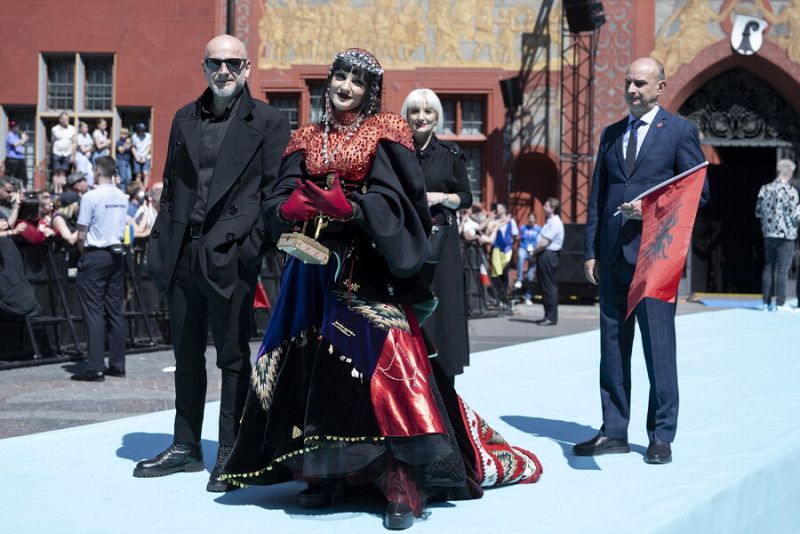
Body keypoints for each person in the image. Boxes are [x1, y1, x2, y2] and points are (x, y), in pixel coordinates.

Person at [219, 48, 541, 531]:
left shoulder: (386, 130)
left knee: (388, 366)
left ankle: (401, 479)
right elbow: (277, 196)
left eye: (357, 81)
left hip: (367, 270)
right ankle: (327, 475)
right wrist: (286, 211)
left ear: (371, 90)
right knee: (310, 367)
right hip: (309, 276)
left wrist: (353, 207)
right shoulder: (305, 136)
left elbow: (401, 201)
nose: (345, 86)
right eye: (339, 77)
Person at [135, 34, 290, 493]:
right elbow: (171, 183)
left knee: (233, 357)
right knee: (185, 355)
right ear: (203, 67)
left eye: (233, 64)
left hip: (229, 253)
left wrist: (249, 247)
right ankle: (186, 446)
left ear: (246, 69)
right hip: (184, 252)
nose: (224, 71)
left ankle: (230, 450)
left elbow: (271, 194)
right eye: (215, 63)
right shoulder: (184, 117)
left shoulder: (268, 121)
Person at [578, 57, 708, 465]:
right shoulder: (611, 134)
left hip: (655, 258)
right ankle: (614, 430)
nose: (631, 89)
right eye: (627, 82)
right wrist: (591, 251)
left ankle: (661, 435)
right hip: (613, 255)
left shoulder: (680, 133)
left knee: (658, 348)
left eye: (639, 83)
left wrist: (651, 208)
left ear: (660, 87)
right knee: (613, 347)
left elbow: (697, 193)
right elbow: (598, 196)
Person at [401, 88, 473, 381]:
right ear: (406, 116)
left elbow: (465, 197)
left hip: (440, 243)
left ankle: (443, 382)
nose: (421, 117)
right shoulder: (395, 153)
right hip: (404, 241)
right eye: (415, 111)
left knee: (442, 309)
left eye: (428, 111)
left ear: (437, 116)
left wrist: (442, 197)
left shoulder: (450, 153)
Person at [70, 156, 128, 382]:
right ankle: (117, 364)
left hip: (95, 254)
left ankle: (95, 367)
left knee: (94, 312)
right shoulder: (122, 196)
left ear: (96, 171)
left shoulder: (91, 197)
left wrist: (82, 251)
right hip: (116, 253)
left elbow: (82, 232)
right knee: (115, 310)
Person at [755, 158, 800, 312]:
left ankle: (765, 302)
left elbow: (758, 212)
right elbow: (796, 216)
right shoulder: (791, 191)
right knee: (782, 269)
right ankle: (780, 303)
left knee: (768, 267)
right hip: (786, 236)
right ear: (790, 173)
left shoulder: (765, 189)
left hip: (769, 234)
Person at [531, 198, 564, 325]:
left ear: (552, 208)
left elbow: (544, 242)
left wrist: (534, 252)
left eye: (546, 205)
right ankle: (547, 316)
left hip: (548, 255)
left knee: (549, 286)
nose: (544, 207)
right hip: (544, 255)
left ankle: (551, 317)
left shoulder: (555, 222)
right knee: (545, 286)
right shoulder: (549, 221)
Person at [488, 203, 517, 308]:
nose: (497, 209)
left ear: (504, 210)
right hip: (496, 250)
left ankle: (504, 298)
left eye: (500, 208)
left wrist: (510, 243)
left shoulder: (511, 222)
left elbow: (515, 234)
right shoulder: (494, 221)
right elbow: (489, 229)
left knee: (505, 275)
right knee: (496, 274)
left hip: (507, 251)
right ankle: (497, 298)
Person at [515, 212, 542, 305]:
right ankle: (519, 279)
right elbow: (519, 238)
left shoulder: (539, 229)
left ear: (535, 219)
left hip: (533, 251)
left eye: (532, 218)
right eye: (529, 218)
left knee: (531, 276)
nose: (531, 220)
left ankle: (528, 297)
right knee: (521, 257)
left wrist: (535, 251)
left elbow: (540, 240)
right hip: (524, 248)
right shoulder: (523, 228)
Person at [51, 112, 76, 194]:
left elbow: (74, 142)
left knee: (63, 172)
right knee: (56, 172)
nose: (66, 121)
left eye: (67, 119)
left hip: (67, 153)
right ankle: (56, 190)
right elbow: (53, 141)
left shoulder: (72, 129)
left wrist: (73, 155)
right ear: (60, 120)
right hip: (57, 152)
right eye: (64, 119)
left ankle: (61, 190)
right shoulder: (55, 129)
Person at [131, 122, 152, 187]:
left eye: (143, 130)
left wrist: (144, 157)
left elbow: (149, 147)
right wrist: (137, 157)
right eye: (141, 130)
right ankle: (139, 189)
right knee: (138, 175)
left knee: (145, 173)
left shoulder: (148, 136)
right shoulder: (134, 136)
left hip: (146, 157)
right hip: (137, 157)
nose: (142, 131)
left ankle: (145, 189)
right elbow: (133, 147)